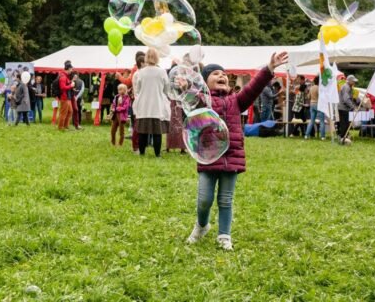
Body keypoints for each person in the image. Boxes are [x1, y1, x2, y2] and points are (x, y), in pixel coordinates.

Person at [186, 51, 289, 251]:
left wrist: (269, 68)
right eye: (215, 73)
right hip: (208, 157)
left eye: (224, 74)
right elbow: (189, 98)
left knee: (226, 200)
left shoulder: (236, 100)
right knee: (204, 200)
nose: (222, 76)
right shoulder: (203, 101)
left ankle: (224, 235)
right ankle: (201, 225)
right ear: (205, 82)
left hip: (232, 156)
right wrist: (187, 83)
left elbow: (254, 87)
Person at [133, 48, 171, 157]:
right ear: (157, 58)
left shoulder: (140, 72)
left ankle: (142, 153)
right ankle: (157, 154)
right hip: (157, 105)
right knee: (157, 132)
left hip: (144, 105)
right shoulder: (162, 72)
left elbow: (138, 89)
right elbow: (166, 89)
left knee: (142, 131)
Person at [305, 75, 326, 140]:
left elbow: (308, 97)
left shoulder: (311, 88)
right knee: (322, 121)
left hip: (312, 104)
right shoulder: (320, 88)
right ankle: (322, 136)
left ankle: (306, 135)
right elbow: (322, 97)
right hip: (319, 104)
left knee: (311, 121)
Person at [337, 75, 359, 140]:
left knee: (346, 124)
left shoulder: (348, 87)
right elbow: (346, 99)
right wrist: (353, 107)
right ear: (349, 81)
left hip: (344, 108)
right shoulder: (346, 87)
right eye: (353, 81)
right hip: (343, 108)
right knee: (344, 124)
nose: (354, 82)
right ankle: (343, 138)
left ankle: (344, 137)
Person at [57, 61, 75, 130]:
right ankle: (60, 127)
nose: (72, 70)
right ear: (69, 68)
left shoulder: (66, 76)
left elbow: (67, 83)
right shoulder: (63, 77)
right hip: (64, 97)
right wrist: (71, 86)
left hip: (68, 97)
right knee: (63, 113)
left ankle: (66, 126)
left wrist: (71, 82)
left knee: (70, 111)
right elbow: (62, 87)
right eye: (71, 69)